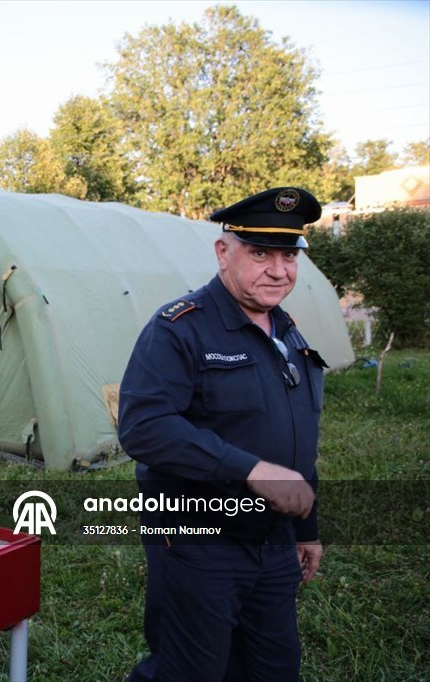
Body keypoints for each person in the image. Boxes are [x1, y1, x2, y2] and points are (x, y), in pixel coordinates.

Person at [118, 187, 327, 682]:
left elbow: (296, 435)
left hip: (273, 541)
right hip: (199, 539)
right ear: (222, 253)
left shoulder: (285, 328)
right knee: (190, 670)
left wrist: (307, 527)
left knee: (274, 666)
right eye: (260, 253)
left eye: (288, 255)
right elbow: (145, 428)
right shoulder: (179, 329)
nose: (278, 270)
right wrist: (250, 471)